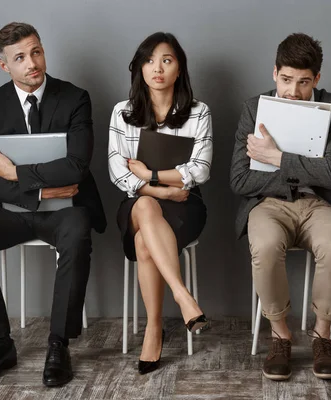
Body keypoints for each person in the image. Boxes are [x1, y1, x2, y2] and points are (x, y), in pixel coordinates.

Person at [0, 22, 106, 387]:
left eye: (35, 51)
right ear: (5, 66)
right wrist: (39, 191)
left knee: (78, 231)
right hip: (10, 214)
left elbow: (77, 166)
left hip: (66, 210)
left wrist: (16, 173)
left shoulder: (75, 98)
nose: (32, 63)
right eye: (20, 57)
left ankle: (59, 343)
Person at [230, 33, 331, 381]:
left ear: (317, 78)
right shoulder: (254, 108)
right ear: (274, 73)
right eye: (286, 80)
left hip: (320, 204)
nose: (293, 91)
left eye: (303, 82)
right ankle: (280, 335)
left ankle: (323, 335)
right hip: (268, 205)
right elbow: (240, 180)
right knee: (266, 246)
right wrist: (303, 169)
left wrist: (275, 157)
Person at [108, 32, 212, 374]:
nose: (158, 68)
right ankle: (183, 298)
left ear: (179, 68)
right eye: (150, 61)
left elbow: (200, 170)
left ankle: (154, 329)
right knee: (145, 206)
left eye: (166, 60)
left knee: (143, 239)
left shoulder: (198, 112)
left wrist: (150, 172)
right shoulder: (122, 113)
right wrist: (164, 188)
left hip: (186, 206)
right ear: (139, 68)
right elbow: (120, 174)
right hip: (142, 201)